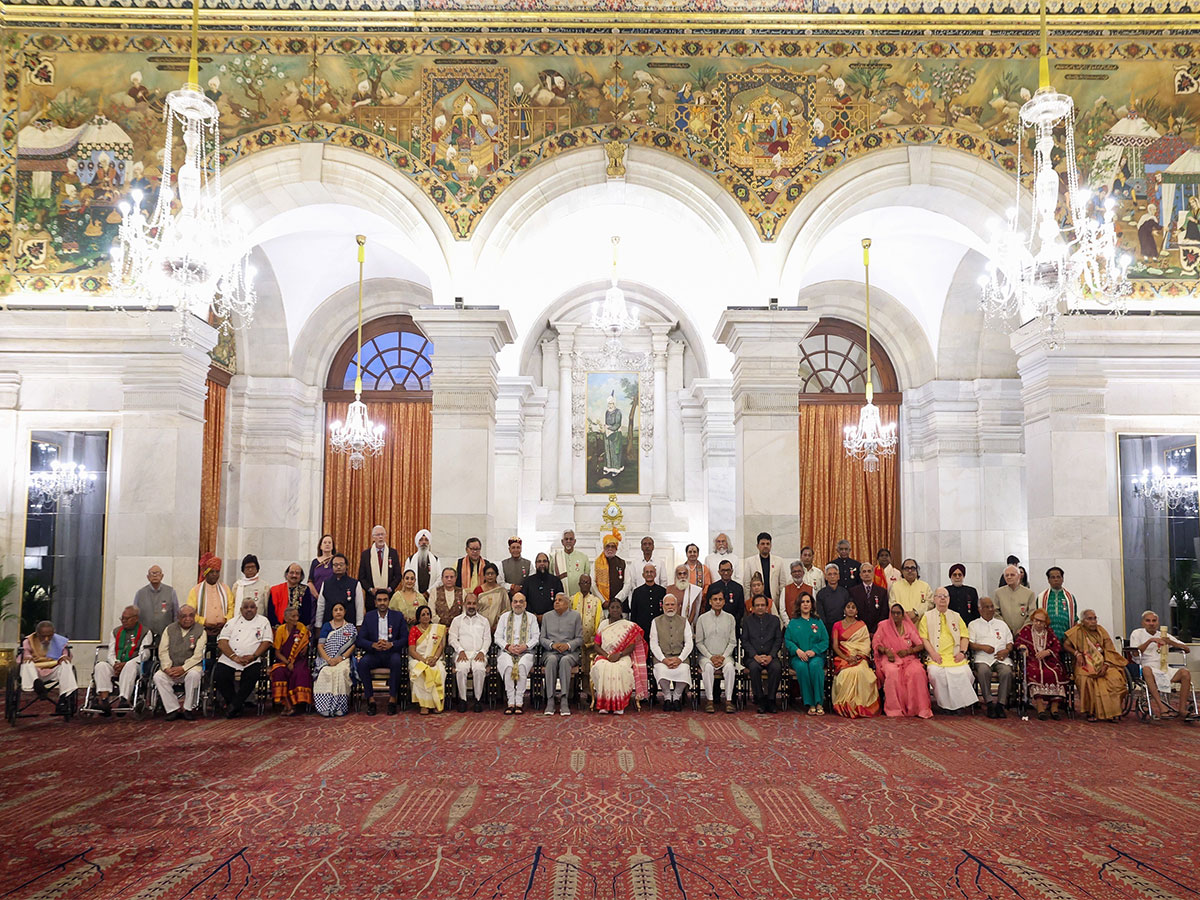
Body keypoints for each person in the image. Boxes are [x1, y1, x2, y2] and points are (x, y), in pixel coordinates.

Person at [1128, 610, 1194, 720]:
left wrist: (1171, 642)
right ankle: (1162, 707)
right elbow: (1135, 653)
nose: (1151, 623)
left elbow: (1187, 649)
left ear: (1158, 623)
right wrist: (1150, 641)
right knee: (1147, 669)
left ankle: (1182, 709)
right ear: (1143, 623)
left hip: (1163, 667)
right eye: (1148, 621)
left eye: (1154, 621)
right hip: (1146, 666)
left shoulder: (1163, 634)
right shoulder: (1137, 633)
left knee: (1185, 673)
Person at [918, 587, 976, 713]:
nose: (943, 598)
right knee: (935, 673)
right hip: (936, 656)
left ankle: (959, 705)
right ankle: (945, 706)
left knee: (966, 673)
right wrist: (933, 654)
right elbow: (924, 638)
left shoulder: (956, 616)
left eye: (945, 596)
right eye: (939, 596)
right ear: (934, 599)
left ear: (949, 599)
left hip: (955, 656)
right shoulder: (927, 616)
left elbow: (964, 636)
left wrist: (962, 652)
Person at [1065, 609, 1128, 723]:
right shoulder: (1077, 631)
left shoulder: (1101, 631)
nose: (1093, 621)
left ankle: (1112, 712)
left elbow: (1109, 649)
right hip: (1084, 663)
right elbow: (1066, 645)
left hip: (1104, 662)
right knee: (1086, 680)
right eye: (1090, 619)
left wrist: (1106, 664)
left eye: (1095, 618)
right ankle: (1091, 711)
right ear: (1082, 621)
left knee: (1115, 679)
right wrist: (1077, 654)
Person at [355, 588, 410, 716]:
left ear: (388, 601)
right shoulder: (369, 617)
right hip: (374, 654)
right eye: (379, 600)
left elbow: (405, 638)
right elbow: (360, 640)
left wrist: (392, 644)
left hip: (391, 653)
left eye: (385, 600)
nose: (382, 603)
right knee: (363, 663)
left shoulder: (397, 616)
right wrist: (373, 645)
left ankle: (392, 700)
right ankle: (371, 700)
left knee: (397, 661)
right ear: (375, 602)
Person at [214, 598, 272, 719]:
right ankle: (236, 705)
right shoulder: (232, 622)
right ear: (241, 610)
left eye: (252, 607)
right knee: (220, 675)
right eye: (246, 607)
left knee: (252, 675)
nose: (249, 610)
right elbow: (222, 642)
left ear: (256, 609)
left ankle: (234, 705)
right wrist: (234, 657)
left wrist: (253, 656)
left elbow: (267, 642)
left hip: (252, 658)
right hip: (230, 658)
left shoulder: (263, 622)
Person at [872, 603, 931, 719]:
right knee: (892, 672)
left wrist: (909, 651)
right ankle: (894, 709)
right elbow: (876, 643)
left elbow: (920, 645)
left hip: (908, 658)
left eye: (898, 613)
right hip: (890, 658)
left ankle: (918, 708)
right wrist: (886, 651)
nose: (895, 615)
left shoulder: (908, 626)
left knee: (917, 672)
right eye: (893, 613)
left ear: (903, 615)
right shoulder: (883, 626)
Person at [93, 605, 152, 715]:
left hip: (136, 665)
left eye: (127, 618)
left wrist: (125, 664)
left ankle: (124, 700)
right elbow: (111, 653)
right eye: (122, 618)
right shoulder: (116, 632)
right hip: (117, 664)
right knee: (100, 666)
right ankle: (104, 700)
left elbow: (145, 655)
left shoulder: (145, 632)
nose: (124, 621)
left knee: (130, 666)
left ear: (136, 618)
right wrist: (116, 664)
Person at [592, 598, 647, 715]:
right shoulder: (603, 624)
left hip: (622, 656)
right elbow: (596, 645)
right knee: (601, 667)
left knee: (620, 668)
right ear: (608, 610)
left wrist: (619, 654)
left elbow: (632, 646)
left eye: (618, 607)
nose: (615, 610)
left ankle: (619, 705)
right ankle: (604, 704)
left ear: (621, 609)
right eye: (612, 607)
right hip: (605, 655)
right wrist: (607, 655)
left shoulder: (628, 626)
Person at [1014, 609, 1068, 720]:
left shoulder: (1049, 632)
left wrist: (1048, 652)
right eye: (1036, 620)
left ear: (1046, 622)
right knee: (1036, 673)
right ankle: (1040, 708)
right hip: (1032, 660)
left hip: (1048, 661)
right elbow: (1018, 642)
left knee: (1056, 672)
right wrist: (1022, 647)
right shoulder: (1026, 630)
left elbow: (1057, 646)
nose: (1038, 623)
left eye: (1041, 621)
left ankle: (1054, 708)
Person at [153, 605, 205, 721]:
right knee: (158, 677)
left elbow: (198, 655)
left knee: (194, 675)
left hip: (191, 668)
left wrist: (183, 668)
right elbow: (163, 651)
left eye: (191, 616)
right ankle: (172, 709)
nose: (188, 619)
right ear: (178, 617)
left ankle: (188, 709)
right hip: (171, 667)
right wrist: (167, 668)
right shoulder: (169, 629)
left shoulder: (201, 630)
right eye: (184, 616)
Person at [830, 600, 879, 718]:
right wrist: (847, 658)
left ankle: (860, 705)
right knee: (846, 673)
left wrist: (857, 657)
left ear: (857, 611)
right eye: (848, 607)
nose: (851, 609)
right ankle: (845, 704)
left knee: (861, 671)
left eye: (853, 607)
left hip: (859, 658)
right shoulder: (837, 625)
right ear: (844, 610)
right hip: (842, 657)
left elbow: (865, 645)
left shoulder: (862, 626)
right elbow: (835, 646)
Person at [968, 596, 1014, 718]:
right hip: (982, 657)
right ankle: (989, 703)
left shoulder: (1002, 624)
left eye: (992, 606)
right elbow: (970, 644)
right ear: (980, 610)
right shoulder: (973, 625)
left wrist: (1006, 650)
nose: (990, 609)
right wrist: (982, 647)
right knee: (983, 671)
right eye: (987, 607)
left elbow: (1010, 642)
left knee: (1007, 672)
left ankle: (1000, 705)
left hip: (1001, 658)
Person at [495, 592, 539, 714]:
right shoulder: (504, 617)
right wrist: (508, 647)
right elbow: (497, 637)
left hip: (526, 651)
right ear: (511, 604)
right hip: (506, 651)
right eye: (515, 601)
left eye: (521, 601)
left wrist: (525, 646)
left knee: (522, 667)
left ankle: (519, 702)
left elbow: (536, 637)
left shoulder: (531, 617)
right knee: (508, 667)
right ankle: (510, 702)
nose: (518, 604)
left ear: (525, 604)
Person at [785, 594, 828, 716]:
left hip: (816, 656)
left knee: (815, 666)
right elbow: (788, 640)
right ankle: (810, 703)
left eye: (808, 601)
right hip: (798, 657)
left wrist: (814, 651)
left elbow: (825, 640)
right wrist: (797, 650)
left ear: (812, 604)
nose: (805, 604)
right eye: (803, 602)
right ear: (799, 605)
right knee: (802, 667)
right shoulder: (793, 623)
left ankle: (819, 702)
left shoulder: (818, 622)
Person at [540, 592, 583, 715]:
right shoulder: (547, 616)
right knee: (552, 660)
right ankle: (550, 700)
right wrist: (552, 645)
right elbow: (542, 638)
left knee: (565, 661)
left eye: (560, 600)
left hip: (570, 653)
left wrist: (568, 645)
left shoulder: (575, 616)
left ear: (567, 604)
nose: (556, 602)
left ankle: (564, 700)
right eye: (555, 600)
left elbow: (580, 638)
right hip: (551, 652)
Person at [695, 590, 737, 714]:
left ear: (724, 602)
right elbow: (699, 642)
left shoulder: (730, 618)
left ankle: (728, 701)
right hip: (706, 656)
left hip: (725, 656)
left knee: (730, 667)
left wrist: (723, 657)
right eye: (715, 599)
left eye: (720, 599)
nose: (718, 602)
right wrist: (710, 657)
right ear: (710, 602)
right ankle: (710, 700)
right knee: (708, 668)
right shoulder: (702, 619)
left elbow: (732, 642)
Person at [20, 620, 77, 710]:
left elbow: (66, 654)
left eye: (50, 636)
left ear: (53, 633)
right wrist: (27, 657)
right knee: (27, 663)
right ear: (37, 634)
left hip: (53, 670)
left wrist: (64, 657)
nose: (46, 639)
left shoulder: (60, 641)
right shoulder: (29, 641)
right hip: (35, 673)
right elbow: (24, 653)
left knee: (66, 664)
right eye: (43, 636)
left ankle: (64, 697)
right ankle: (37, 685)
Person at [650, 594, 694, 711]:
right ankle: (667, 697)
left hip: (680, 657)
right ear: (662, 606)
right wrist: (663, 659)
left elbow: (689, 643)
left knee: (684, 670)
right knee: (661, 670)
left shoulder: (684, 621)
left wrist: (680, 659)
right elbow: (654, 644)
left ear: (677, 606)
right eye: (667, 605)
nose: (670, 607)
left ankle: (677, 697)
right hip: (662, 658)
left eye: (672, 604)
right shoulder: (656, 621)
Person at [313, 601, 357, 718]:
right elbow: (320, 646)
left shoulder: (350, 627)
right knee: (324, 672)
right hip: (326, 659)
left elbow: (352, 646)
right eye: (335, 610)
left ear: (345, 612)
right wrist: (328, 659)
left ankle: (340, 707)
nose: (338, 612)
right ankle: (324, 706)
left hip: (343, 659)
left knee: (341, 672)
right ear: (332, 612)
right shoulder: (327, 626)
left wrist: (340, 658)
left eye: (340, 609)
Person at [449, 594, 491, 712]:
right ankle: (463, 700)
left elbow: (487, 639)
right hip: (462, 653)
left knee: (479, 668)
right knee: (461, 669)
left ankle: (478, 700)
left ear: (477, 605)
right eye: (469, 603)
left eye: (474, 603)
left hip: (479, 653)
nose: (471, 606)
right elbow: (452, 639)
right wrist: (460, 650)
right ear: (464, 604)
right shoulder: (457, 620)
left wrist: (482, 651)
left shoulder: (484, 621)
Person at [742, 594, 782, 714]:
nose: (760, 607)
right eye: (757, 605)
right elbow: (745, 641)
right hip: (753, 657)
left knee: (776, 668)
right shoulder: (747, 621)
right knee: (754, 668)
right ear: (753, 607)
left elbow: (778, 640)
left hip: (771, 656)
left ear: (767, 607)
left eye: (762, 605)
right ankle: (760, 699)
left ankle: (771, 699)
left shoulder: (775, 620)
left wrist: (770, 656)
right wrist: (755, 656)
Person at [269, 605, 313, 716]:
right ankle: (288, 705)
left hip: (299, 661)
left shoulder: (301, 627)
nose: (296, 618)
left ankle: (298, 703)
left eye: (297, 616)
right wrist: (288, 663)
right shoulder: (280, 630)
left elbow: (306, 640)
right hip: (283, 661)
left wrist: (306, 646)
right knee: (279, 672)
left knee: (301, 673)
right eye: (293, 616)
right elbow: (277, 652)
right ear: (286, 618)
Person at [408, 605, 448, 715]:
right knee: (420, 672)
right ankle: (424, 704)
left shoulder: (436, 629)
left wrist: (434, 659)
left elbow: (440, 647)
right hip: (418, 659)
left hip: (434, 658)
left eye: (428, 614)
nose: (426, 616)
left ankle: (436, 703)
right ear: (418, 618)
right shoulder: (414, 630)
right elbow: (412, 650)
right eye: (423, 615)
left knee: (440, 671)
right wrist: (424, 660)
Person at [571, 573, 605, 694]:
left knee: (588, 668)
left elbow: (600, 620)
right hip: (574, 641)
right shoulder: (572, 599)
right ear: (579, 584)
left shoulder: (596, 601)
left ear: (590, 584)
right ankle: (572, 692)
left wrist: (594, 639)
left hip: (590, 642)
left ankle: (588, 692)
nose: (585, 584)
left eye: (587, 582)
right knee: (573, 666)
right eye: (583, 582)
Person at [191, 553, 233, 644]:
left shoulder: (225, 589)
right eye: (211, 572)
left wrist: (226, 621)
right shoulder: (196, 590)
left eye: (217, 572)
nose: (214, 574)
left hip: (223, 630)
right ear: (206, 573)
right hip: (202, 630)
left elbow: (231, 608)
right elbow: (191, 612)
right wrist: (204, 622)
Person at [133, 565, 179, 648]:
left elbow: (176, 615)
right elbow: (134, 616)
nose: (154, 575)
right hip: (145, 637)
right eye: (152, 573)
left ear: (162, 576)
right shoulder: (140, 593)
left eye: (157, 573)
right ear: (148, 577)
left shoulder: (171, 592)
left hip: (166, 636)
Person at [316, 553, 365, 627]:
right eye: (335, 565)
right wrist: (318, 625)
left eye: (341, 564)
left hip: (349, 625)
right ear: (332, 567)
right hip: (329, 625)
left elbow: (359, 607)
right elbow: (321, 606)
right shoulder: (326, 584)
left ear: (346, 566)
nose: (338, 567)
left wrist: (359, 624)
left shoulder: (355, 584)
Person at [267, 563, 316, 629]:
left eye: (297, 573)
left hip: (299, 628)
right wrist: (279, 628)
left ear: (301, 576)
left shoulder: (305, 589)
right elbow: (271, 612)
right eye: (291, 572)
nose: (294, 575)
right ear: (287, 574)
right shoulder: (275, 590)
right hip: (278, 629)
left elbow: (307, 612)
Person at [1035, 567, 1078, 638]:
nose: (1056, 579)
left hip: (1066, 638)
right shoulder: (1041, 598)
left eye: (1058, 577)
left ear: (1062, 579)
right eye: (1053, 577)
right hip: (1046, 637)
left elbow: (1075, 620)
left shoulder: (1070, 598)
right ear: (1048, 580)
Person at [359, 525, 402, 595]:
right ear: (373, 537)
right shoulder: (366, 555)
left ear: (385, 536)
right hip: (372, 596)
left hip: (389, 595)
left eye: (382, 534)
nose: (380, 537)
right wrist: (370, 589)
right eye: (378, 535)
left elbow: (398, 576)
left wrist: (389, 589)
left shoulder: (393, 553)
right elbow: (361, 577)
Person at [628, 563, 666, 641]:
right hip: (642, 629)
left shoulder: (662, 591)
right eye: (647, 572)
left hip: (659, 628)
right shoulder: (637, 592)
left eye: (651, 572)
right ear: (643, 575)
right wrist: (635, 631)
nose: (649, 574)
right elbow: (634, 613)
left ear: (655, 574)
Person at [994, 564, 1035, 633]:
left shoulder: (1029, 593)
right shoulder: (998, 593)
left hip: (1024, 632)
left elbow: (1032, 614)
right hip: (1004, 631)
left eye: (1012, 575)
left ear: (1019, 576)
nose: (1009, 577)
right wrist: (1005, 628)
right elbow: (995, 613)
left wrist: (1023, 629)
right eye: (1007, 575)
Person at [745, 532, 786, 602]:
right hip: (756, 601)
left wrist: (782, 602)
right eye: (762, 544)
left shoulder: (779, 561)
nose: (765, 546)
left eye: (768, 544)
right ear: (757, 546)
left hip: (774, 600)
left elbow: (782, 584)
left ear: (771, 545)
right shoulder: (750, 562)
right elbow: (747, 585)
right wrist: (748, 602)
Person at [523, 553, 564, 620]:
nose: (542, 563)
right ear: (535, 564)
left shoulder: (556, 581)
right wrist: (534, 615)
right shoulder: (528, 581)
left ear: (548, 563)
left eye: (544, 561)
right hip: (531, 619)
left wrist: (546, 616)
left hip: (552, 618)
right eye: (539, 561)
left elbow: (560, 600)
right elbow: (524, 600)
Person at [850, 561, 888, 633]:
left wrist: (875, 630)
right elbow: (853, 613)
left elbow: (884, 613)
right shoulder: (853, 592)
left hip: (878, 631)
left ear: (873, 574)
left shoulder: (882, 592)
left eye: (869, 571)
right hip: (859, 631)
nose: (866, 574)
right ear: (860, 575)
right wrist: (862, 629)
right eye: (864, 571)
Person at [551, 529, 590, 598]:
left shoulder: (583, 557)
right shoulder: (554, 557)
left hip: (579, 598)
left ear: (574, 541)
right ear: (562, 542)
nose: (568, 541)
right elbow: (550, 577)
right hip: (561, 597)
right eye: (566, 539)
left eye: (571, 539)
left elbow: (587, 578)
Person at [404, 529, 441, 597]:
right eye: (421, 540)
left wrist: (428, 592)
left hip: (430, 595)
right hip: (413, 595)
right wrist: (417, 593)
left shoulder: (435, 560)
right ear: (417, 542)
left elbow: (439, 579)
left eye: (426, 540)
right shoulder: (410, 560)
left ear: (429, 542)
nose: (424, 542)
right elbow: (406, 578)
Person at [815, 564, 849, 633]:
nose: (832, 576)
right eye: (829, 574)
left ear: (838, 576)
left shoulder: (844, 592)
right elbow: (821, 614)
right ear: (826, 577)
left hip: (843, 628)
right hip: (826, 628)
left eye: (835, 574)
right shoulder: (821, 594)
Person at [593, 536, 627, 605]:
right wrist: (602, 601)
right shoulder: (596, 563)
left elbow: (627, 584)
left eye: (613, 546)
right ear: (604, 548)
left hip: (619, 605)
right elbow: (592, 584)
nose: (610, 549)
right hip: (601, 604)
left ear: (616, 549)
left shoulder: (622, 563)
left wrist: (617, 600)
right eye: (607, 546)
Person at [475, 563, 509, 629]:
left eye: (492, 573)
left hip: (497, 626)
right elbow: (474, 607)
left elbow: (506, 610)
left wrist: (498, 624)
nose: (490, 576)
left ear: (496, 575)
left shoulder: (502, 591)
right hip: (480, 625)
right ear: (484, 576)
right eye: (488, 574)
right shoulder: (478, 590)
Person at [309, 533, 337, 598]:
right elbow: (310, 582)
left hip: (333, 596)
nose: (327, 544)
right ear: (320, 546)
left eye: (329, 542)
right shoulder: (315, 562)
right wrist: (317, 596)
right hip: (316, 597)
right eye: (325, 542)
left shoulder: (336, 560)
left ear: (333, 546)